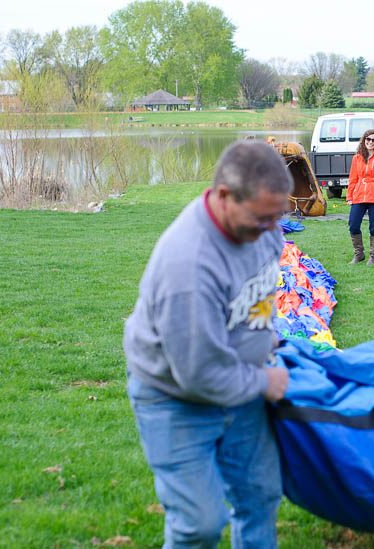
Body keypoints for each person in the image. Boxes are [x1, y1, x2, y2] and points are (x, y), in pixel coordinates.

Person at [123, 142, 292, 549]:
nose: (273, 231)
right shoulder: (188, 266)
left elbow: (260, 289)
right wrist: (265, 382)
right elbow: (200, 375)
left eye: (279, 216)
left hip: (240, 383)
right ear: (223, 197)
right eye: (262, 218)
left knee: (260, 495)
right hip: (175, 398)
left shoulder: (264, 231)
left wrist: (262, 334)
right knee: (199, 524)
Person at [346, 129, 374, 265]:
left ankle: (373, 257)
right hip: (359, 195)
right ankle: (359, 254)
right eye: (368, 139)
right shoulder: (357, 157)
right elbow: (353, 178)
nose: (370, 142)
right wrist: (349, 196)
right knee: (353, 225)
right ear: (364, 140)